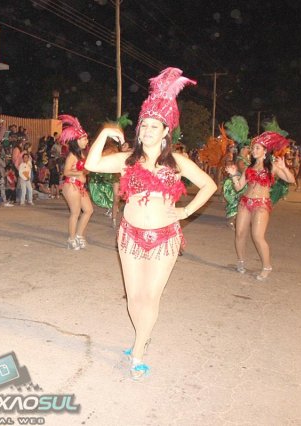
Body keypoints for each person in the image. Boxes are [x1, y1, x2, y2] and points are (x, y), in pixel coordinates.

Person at [85, 68, 217, 380]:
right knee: (133, 297)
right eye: (143, 125)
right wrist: (105, 133)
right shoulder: (127, 160)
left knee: (151, 297)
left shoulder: (177, 163)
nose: (146, 130)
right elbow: (91, 164)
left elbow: (209, 185)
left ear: (165, 132)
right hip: (129, 236)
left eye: (153, 126)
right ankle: (141, 338)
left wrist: (185, 212)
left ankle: (139, 351)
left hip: (165, 238)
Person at [225, 132, 295, 281]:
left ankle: (267, 266)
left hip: (261, 204)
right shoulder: (248, 168)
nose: (253, 150)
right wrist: (233, 174)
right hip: (245, 203)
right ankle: (241, 261)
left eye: (257, 148)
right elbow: (238, 187)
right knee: (239, 233)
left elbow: (291, 180)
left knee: (257, 236)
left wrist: (284, 168)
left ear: (265, 151)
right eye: (253, 148)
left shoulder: (272, 167)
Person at [58, 115, 93, 249]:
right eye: (84, 139)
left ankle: (79, 235)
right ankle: (71, 239)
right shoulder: (72, 155)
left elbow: (85, 170)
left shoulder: (83, 154)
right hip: (71, 185)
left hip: (80, 186)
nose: (86, 141)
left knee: (88, 210)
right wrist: (79, 173)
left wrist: (86, 171)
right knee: (75, 213)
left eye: (86, 139)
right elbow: (66, 172)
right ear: (77, 140)